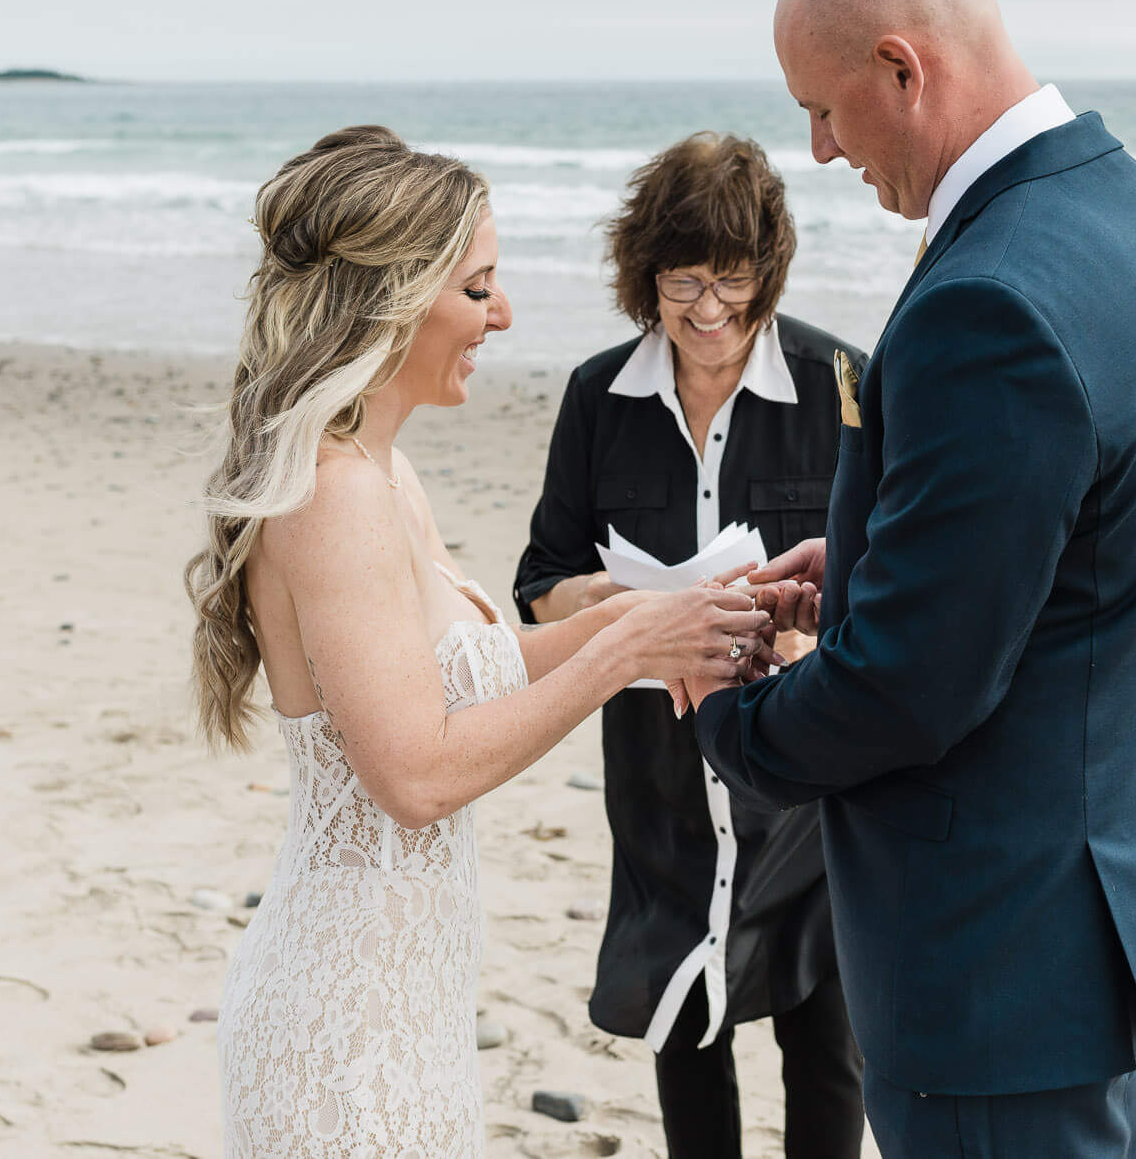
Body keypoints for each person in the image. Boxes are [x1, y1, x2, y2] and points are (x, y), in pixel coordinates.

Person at [691, 0, 1136, 1158]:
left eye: (826, 108)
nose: (821, 149)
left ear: (903, 65)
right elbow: (1084, 541)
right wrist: (887, 560)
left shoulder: (987, 297)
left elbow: (904, 695)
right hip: (1093, 902)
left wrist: (719, 706)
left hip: (986, 952)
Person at [188, 126, 778, 1159]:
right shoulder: (334, 495)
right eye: (478, 289)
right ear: (396, 295)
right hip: (345, 1027)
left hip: (407, 1007)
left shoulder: (383, 474)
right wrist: (615, 656)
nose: (501, 316)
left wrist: (661, 626)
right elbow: (414, 776)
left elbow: (480, 666)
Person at [513, 132, 867, 1159]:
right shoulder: (596, 398)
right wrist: (627, 609)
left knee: (826, 1042)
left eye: (732, 283)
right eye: (681, 285)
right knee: (682, 1026)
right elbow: (539, 587)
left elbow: (899, 584)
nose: (708, 313)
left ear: (769, 272)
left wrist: (811, 631)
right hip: (659, 776)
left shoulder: (845, 382)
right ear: (644, 278)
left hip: (808, 778)